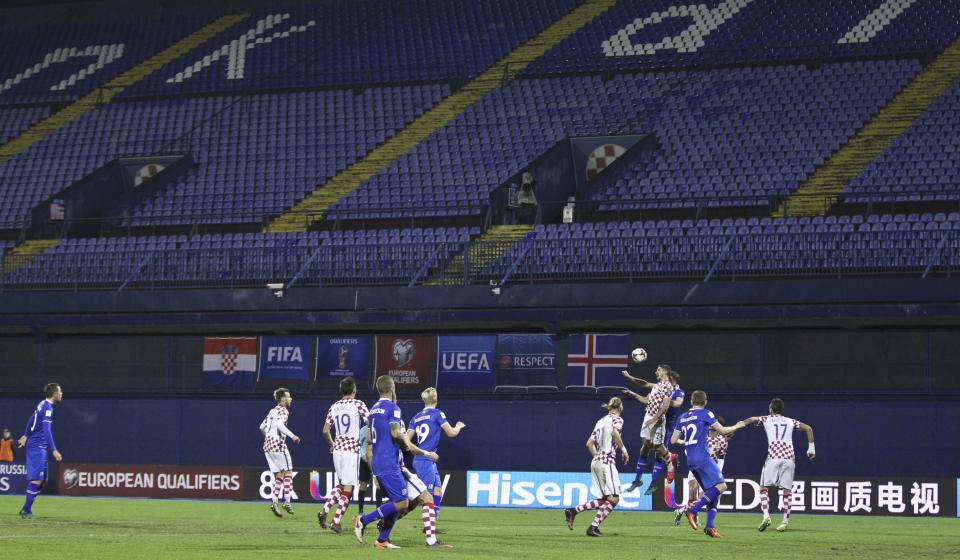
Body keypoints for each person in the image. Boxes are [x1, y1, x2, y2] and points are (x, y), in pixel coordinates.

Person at [353, 375, 450, 549]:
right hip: (391, 464)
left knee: (410, 501)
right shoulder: (393, 409)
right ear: (392, 389)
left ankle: (382, 540)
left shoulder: (373, 410)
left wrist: (374, 470)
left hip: (382, 464)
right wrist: (424, 451)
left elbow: (368, 440)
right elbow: (397, 435)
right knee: (405, 502)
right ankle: (363, 520)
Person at [672, 390, 745, 538]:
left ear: (691, 401)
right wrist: (738, 425)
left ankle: (710, 526)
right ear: (705, 402)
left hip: (691, 461)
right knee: (722, 486)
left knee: (713, 493)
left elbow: (673, 440)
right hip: (703, 458)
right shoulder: (706, 414)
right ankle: (693, 510)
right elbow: (723, 430)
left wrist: (687, 442)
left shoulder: (682, 417)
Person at [740, 398, 815, 532]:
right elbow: (808, 428)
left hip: (774, 456)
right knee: (787, 491)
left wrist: (738, 425)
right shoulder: (790, 421)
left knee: (763, 488)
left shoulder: (767, 419)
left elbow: (751, 419)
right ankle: (785, 522)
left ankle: (766, 516)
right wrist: (811, 449)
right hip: (789, 458)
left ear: (770, 409)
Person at [564, 397, 629, 537]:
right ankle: (593, 527)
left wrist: (598, 457)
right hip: (607, 461)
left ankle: (573, 510)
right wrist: (624, 450)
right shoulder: (617, 419)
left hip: (596, 461)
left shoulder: (601, 421)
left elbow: (589, 443)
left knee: (606, 499)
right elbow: (614, 433)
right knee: (615, 498)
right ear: (621, 407)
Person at [405, 387, 466, 521]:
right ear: (436, 399)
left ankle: (432, 522)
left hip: (425, 459)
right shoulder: (438, 414)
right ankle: (389, 516)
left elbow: (406, 440)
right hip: (425, 460)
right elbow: (451, 433)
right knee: (423, 497)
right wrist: (458, 426)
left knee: (438, 490)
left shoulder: (416, 417)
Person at [622, 367, 684, 494]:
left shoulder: (674, 390)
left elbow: (676, 404)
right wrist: (632, 387)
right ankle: (638, 480)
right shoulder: (657, 386)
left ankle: (655, 482)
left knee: (658, 452)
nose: (656, 372)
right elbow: (644, 387)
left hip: (663, 423)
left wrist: (662, 400)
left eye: (659, 370)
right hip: (650, 417)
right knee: (645, 446)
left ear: (669, 376)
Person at [318, 377, 369, 533]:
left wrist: (332, 445)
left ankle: (324, 510)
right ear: (354, 390)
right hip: (351, 450)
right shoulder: (358, 404)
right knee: (349, 487)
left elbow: (325, 431)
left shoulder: (334, 406)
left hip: (338, 450)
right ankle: (336, 521)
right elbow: (370, 422)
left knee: (341, 484)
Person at [17, 383, 63, 519]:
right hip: (37, 445)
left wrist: (25, 435)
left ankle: (26, 509)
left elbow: (32, 419)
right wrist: (54, 450)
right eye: (60, 391)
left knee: (43, 480)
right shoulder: (47, 408)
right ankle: (26, 510)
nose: (61, 394)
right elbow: (46, 430)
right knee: (37, 479)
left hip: (38, 445)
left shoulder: (42, 404)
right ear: (54, 394)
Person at [259, 387, 300, 517]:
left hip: (267, 445)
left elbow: (261, 427)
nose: (291, 398)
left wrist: (269, 437)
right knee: (288, 471)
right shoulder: (283, 410)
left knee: (280, 474)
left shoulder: (272, 410)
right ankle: (287, 501)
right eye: (288, 396)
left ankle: (275, 502)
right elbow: (279, 425)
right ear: (283, 399)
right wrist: (292, 436)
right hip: (278, 444)